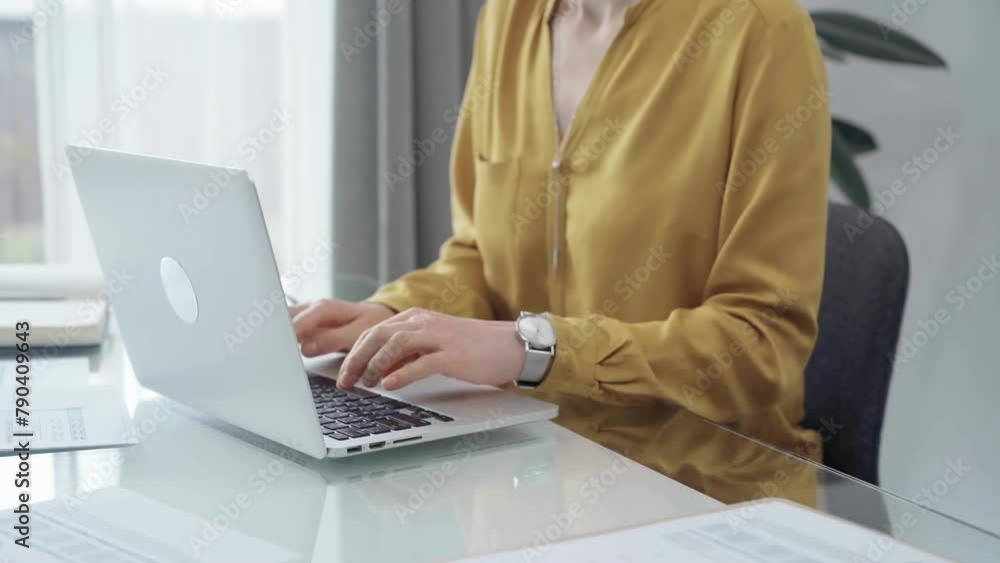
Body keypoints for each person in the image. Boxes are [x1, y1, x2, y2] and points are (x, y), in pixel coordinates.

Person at [291, 0, 831, 454]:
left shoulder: (760, 30)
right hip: (520, 457)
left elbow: (764, 345)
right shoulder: (510, 15)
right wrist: (393, 317)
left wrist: (537, 350)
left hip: (697, 483)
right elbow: (482, 255)